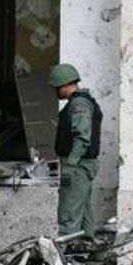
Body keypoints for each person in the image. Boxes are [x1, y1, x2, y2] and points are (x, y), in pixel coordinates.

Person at [49, 63, 102, 239]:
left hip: (77, 166)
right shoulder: (81, 102)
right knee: (84, 214)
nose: (56, 91)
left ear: (65, 84)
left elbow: (82, 138)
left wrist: (71, 165)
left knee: (68, 215)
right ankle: (93, 260)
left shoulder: (79, 103)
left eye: (57, 87)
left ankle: (65, 262)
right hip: (81, 165)